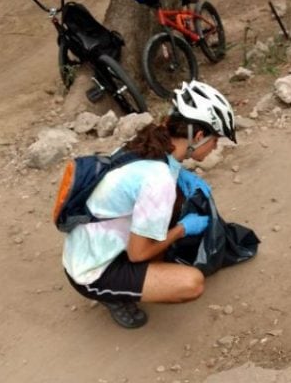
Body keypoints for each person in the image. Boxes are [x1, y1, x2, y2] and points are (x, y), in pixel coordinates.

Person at [62, 80, 237, 329]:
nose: (216, 146)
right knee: (192, 283)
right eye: (215, 140)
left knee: (176, 203)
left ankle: (139, 278)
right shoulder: (159, 180)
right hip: (91, 272)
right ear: (198, 136)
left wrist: (181, 178)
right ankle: (113, 295)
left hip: (88, 244)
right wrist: (183, 229)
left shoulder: (144, 144)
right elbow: (138, 253)